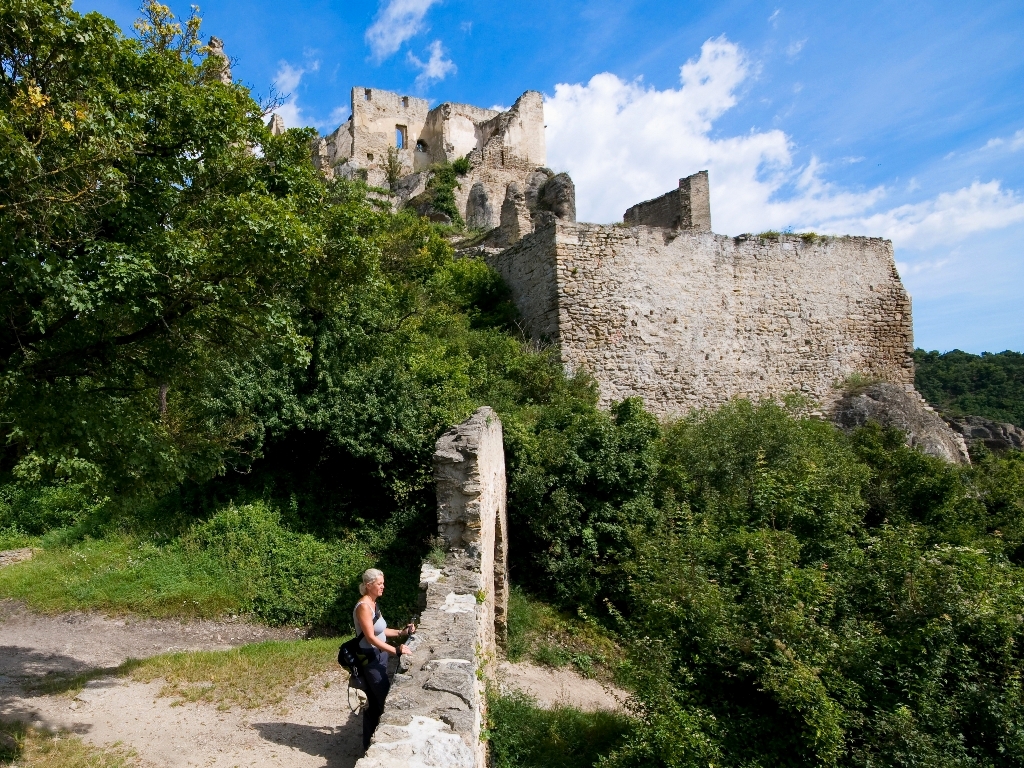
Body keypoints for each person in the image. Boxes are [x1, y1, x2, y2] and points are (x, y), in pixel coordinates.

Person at [353, 568, 415, 751]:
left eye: (382, 583)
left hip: (378, 656)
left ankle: (367, 744)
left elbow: (381, 631)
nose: (383, 586)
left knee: (374, 700)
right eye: (379, 584)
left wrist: (401, 633)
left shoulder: (373, 603)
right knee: (383, 701)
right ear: (369, 585)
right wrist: (396, 650)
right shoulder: (364, 607)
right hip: (370, 659)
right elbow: (371, 637)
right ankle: (376, 746)